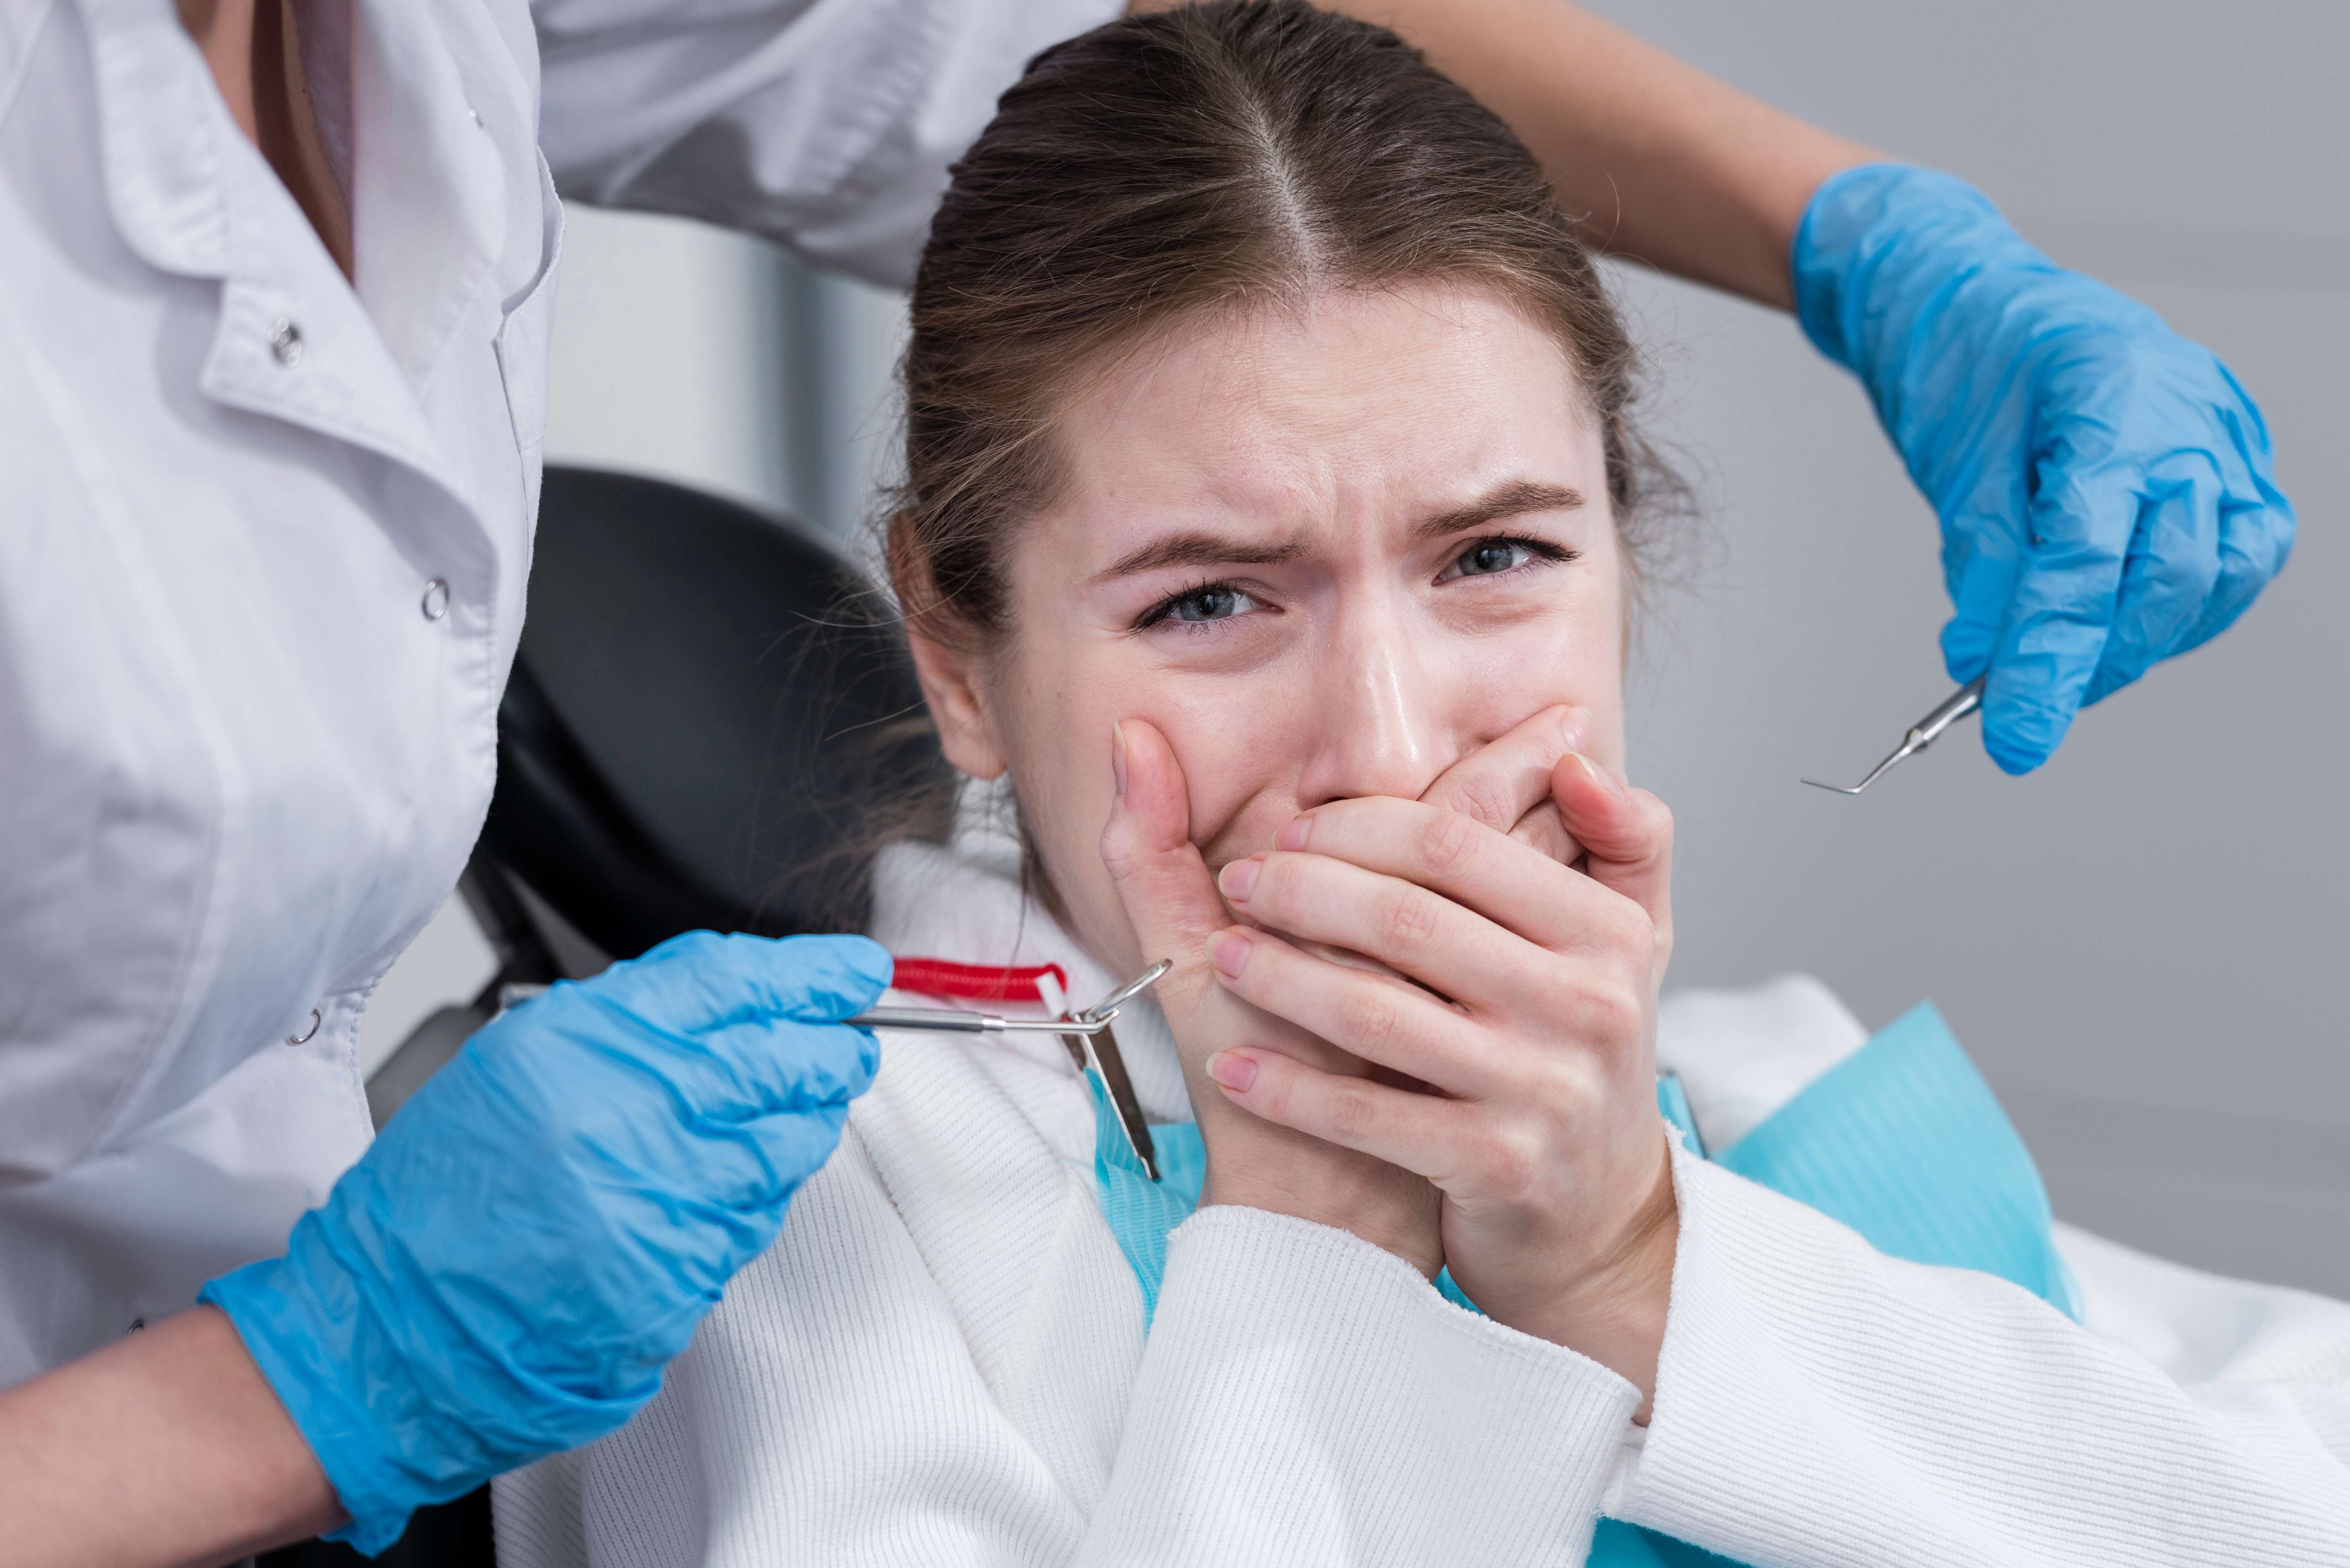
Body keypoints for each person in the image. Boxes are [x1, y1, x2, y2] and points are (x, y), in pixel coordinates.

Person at [0, 0, 2296, 1563]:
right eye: (1210, 599)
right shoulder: (817, 1247)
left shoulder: (1753, 1102)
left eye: (1496, 554)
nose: (1390, 749)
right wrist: (1313, 1258)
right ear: (957, 659)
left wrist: (1636, 1258)